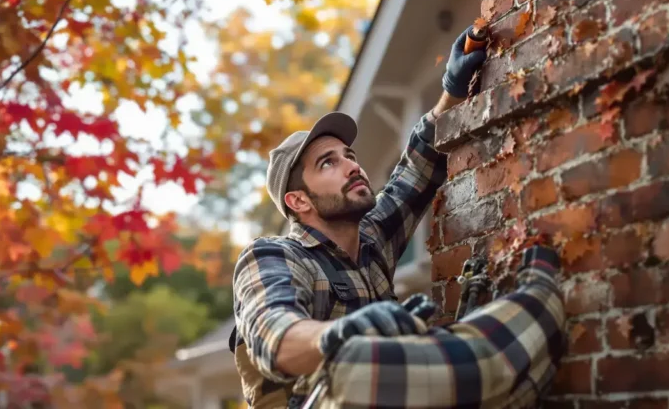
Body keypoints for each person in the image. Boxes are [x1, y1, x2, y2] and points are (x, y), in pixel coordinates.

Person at [230, 25, 566, 408]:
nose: (351, 167)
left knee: (511, 372)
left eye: (350, 157)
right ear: (298, 201)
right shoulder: (272, 255)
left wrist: (452, 90)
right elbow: (272, 337)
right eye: (328, 163)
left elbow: (417, 168)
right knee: (364, 361)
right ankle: (527, 312)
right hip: (331, 395)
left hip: (394, 390)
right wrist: (339, 335)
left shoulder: (372, 239)